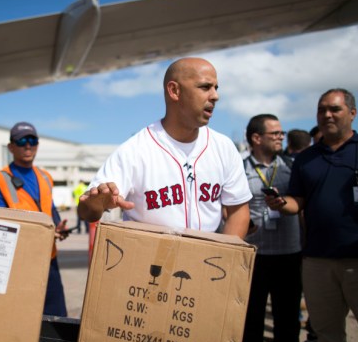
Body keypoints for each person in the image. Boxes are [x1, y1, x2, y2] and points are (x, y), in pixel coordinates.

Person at [265, 88, 358, 342]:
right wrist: (281, 203)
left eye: (334, 109)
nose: (327, 115)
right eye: (321, 110)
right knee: (328, 338)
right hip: (318, 260)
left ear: (353, 113)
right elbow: (297, 203)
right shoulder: (306, 158)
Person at [77, 57, 252, 238]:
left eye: (216, 88)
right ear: (174, 91)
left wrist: (224, 259)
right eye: (205, 87)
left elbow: (238, 211)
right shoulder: (135, 149)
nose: (215, 95)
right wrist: (96, 203)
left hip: (207, 259)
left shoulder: (224, 147)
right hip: (149, 258)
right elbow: (87, 212)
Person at [240, 114, 309, 342]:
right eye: (275, 134)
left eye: (281, 133)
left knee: (288, 319)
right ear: (256, 138)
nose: (282, 137)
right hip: (254, 256)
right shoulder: (239, 168)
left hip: (288, 254)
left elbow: (302, 203)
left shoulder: (293, 167)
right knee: (251, 320)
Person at [0, 122, 69, 317]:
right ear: (11, 147)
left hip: (49, 260)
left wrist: (58, 227)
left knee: (56, 320)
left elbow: (50, 210)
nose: (28, 146)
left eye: (33, 140)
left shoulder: (45, 177)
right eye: (22, 141)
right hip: (18, 263)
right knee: (19, 319)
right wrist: (42, 233)